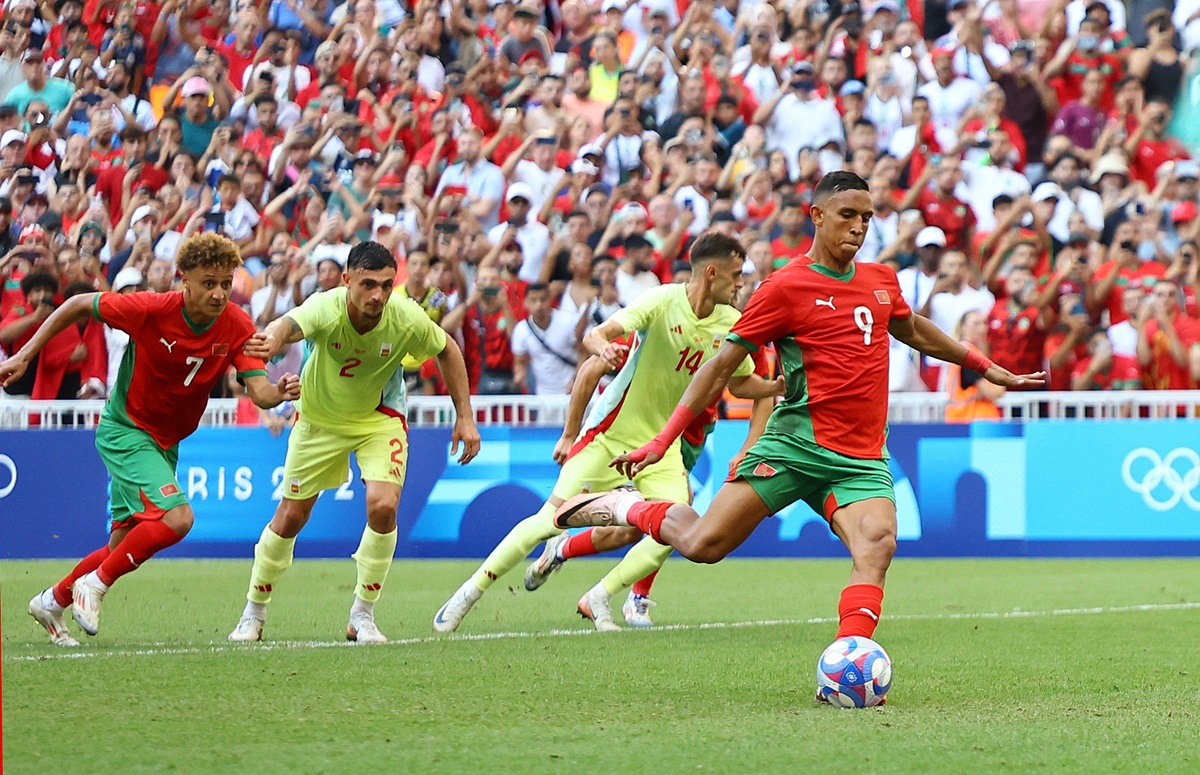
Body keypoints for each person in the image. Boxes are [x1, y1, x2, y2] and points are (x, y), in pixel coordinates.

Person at [551, 173, 1043, 691]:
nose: (858, 227)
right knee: (702, 544)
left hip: (860, 457)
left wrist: (981, 363)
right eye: (847, 215)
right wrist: (660, 440)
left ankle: (846, 663)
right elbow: (720, 367)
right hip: (793, 445)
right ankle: (629, 506)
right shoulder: (784, 287)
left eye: (867, 218)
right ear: (817, 216)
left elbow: (913, 328)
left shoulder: (880, 280)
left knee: (877, 544)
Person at [432, 232, 781, 633]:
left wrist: (773, 388)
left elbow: (740, 384)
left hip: (658, 448)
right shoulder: (662, 300)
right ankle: (468, 594)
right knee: (549, 520)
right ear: (711, 273)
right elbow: (596, 335)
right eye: (736, 276)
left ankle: (602, 593)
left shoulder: (731, 323)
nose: (741, 285)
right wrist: (602, 348)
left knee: (677, 528)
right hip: (609, 434)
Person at [4, 234, 301, 646]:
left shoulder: (236, 323)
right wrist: (24, 355)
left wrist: (281, 391)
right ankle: (93, 586)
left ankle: (53, 600)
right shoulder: (150, 308)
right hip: (126, 429)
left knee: (124, 544)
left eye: (226, 283)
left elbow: (260, 391)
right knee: (177, 518)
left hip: (165, 442)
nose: (219, 293)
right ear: (184, 280)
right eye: (208, 282)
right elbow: (75, 305)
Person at [228, 241, 481, 645]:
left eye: (385, 285)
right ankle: (253, 612)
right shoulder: (325, 307)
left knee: (384, 506)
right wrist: (271, 342)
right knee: (290, 517)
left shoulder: (403, 316)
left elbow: (447, 349)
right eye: (368, 285)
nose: (378, 295)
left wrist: (465, 417)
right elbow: (287, 326)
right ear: (347, 281)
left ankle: (362, 614)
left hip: (378, 419)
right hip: (318, 419)